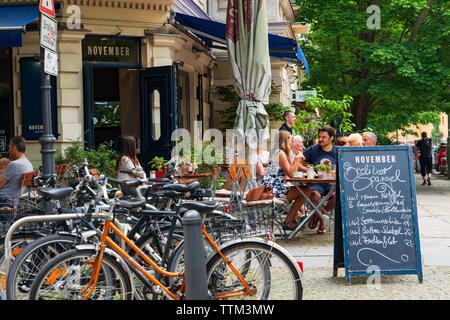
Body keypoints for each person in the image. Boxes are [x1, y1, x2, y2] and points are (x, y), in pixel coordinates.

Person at [261, 131, 311, 230]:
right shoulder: (280, 153)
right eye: (289, 139)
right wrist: (297, 158)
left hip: (269, 188)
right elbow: (291, 174)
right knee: (306, 190)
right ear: (285, 140)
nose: (291, 141)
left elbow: (291, 169)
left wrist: (306, 166)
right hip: (274, 190)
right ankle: (289, 220)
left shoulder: (278, 152)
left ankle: (291, 219)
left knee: (305, 190)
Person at [302, 126, 337, 234]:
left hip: (332, 183)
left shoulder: (337, 151)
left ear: (331, 138)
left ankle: (316, 216)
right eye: (319, 136)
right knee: (313, 194)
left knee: (338, 195)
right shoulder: (312, 149)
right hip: (316, 183)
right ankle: (322, 220)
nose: (320, 139)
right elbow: (299, 163)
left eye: (324, 137)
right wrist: (310, 170)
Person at [0, 136, 33, 208]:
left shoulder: (14, 165)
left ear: (14, 148)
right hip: (14, 202)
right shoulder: (28, 164)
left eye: (9, 148)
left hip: (4, 202)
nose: (8, 150)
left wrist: (2, 168)